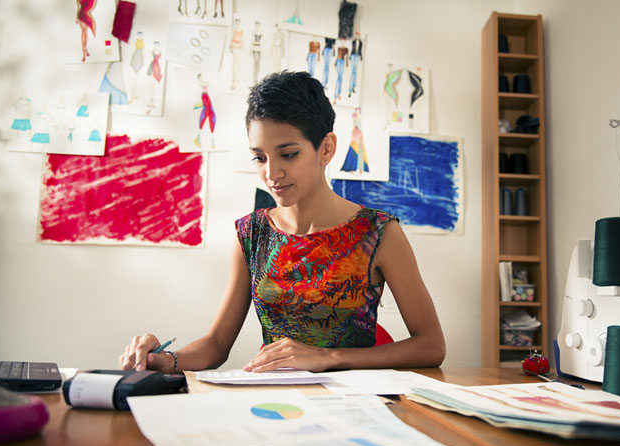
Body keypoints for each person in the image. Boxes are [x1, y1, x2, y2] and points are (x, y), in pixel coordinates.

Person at [118, 71, 445, 374]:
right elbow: (216, 344)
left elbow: (431, 346)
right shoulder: (252, 234)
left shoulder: (378, 233)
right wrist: (164, 360)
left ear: (326, 148)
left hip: (356, 401)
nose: (271, 173)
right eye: (259, 157)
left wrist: (328, 357)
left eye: (288, 154)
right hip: (276, 397)